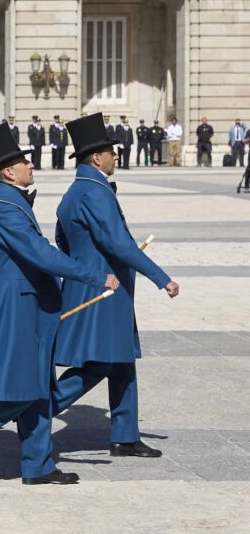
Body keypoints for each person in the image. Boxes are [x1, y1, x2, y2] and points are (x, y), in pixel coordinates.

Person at [0, 123, 119, 485]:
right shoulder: (6, 211)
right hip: (14, 309)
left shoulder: (11, 203)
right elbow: (41, 255)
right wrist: (93, 275)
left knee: (38, 390)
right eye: (23, 161)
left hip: (28, 306)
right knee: (22, 388)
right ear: (7, 171)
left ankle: (38, 465)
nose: (31, 165)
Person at [52, 113, 180, 457]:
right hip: (102, 290)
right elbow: (117, 243)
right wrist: (161, 277)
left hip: (96, 284)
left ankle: (125, 434)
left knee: (122, 359)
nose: (116, 155)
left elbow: (62, 239)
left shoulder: (77, 190)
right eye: (111, 150)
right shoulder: (94, 192)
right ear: (96, 157)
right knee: (99, 363)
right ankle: (39, 410)